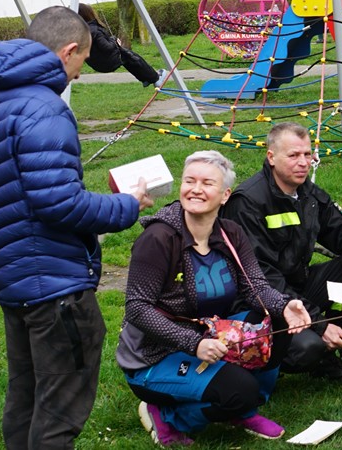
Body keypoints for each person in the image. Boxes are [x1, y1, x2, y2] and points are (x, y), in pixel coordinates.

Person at [0, 5, 154, 449]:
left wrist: (2, 196)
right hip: (56, 287)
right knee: (59, 408)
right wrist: (126, 206)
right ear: (68, 51)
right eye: (81, 63)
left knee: (27, 392)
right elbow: (60, 203)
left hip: (10, 275)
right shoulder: (45, 111)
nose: (78, 75)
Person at [117, 150, 312, 445]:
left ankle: (241, 408)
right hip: (156, 354)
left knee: (273, 322)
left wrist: (285, 305)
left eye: (207, 183)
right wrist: (193, 344)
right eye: (189, 181)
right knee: (239, 390)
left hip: (208, 334)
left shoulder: (230, 233)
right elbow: (137, 308)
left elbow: (255, 286)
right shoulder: (158, 238)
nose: (195, 189)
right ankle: (167, 415)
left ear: (224, 195)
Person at [221, 123, 342, 381]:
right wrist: (319, 324)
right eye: (293, 155)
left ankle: (327, 342)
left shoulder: (306, 192)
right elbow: (264, 277)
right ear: (271, 157)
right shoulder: (248, 202)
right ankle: (264, 358)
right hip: (260, 303)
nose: (303, 162)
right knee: (308, 348)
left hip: (299, 286)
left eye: (307, 154)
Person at [77, 2, 163, 87]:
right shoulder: (95, 30)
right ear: (89, 14)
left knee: (128, 61)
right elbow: (107, 48)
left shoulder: (78, 31)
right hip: (107, 62)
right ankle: (156, 78)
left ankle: (146, 79)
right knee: (133, 57)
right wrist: (115, 41)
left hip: (97, 64)